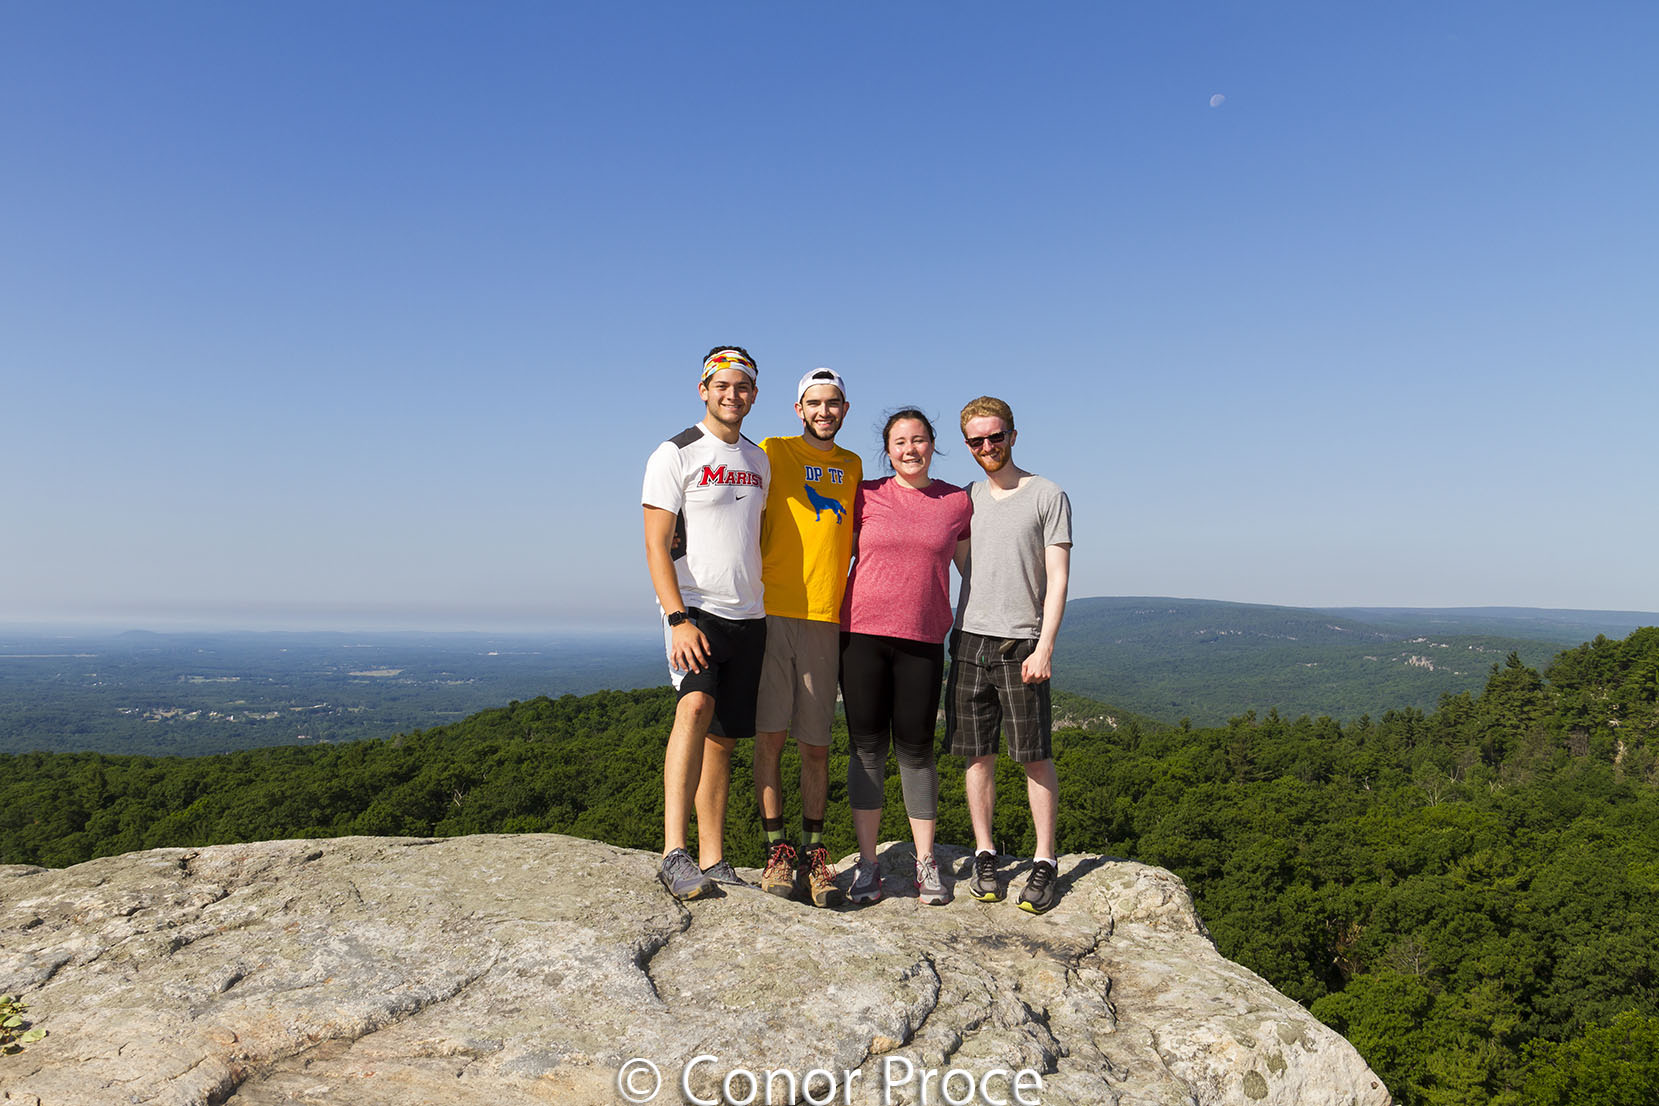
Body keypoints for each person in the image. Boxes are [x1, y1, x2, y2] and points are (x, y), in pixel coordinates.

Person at [641, 346, 770, 900]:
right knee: (693, 708)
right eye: (722, 385)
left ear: (753, 395)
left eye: (742, 386)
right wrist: (676, 618)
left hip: (750, 613)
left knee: (723, 739)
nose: (731, 394)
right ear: (704, 390)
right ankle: (674, 852)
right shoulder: (675, 452)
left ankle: (713, 857)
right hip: (694, 609)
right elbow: (655, 544)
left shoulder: (759, 459)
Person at [945, 396, 1072, 914]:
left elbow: (1058, 577)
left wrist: (1045, 646)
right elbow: (962, 563)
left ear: (1013, 436)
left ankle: (1045, 859)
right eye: (976, 440)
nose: (987, 446)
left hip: (1023, 643)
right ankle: (985, 853)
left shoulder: (1047, 494)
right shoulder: (965, 499)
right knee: (977, 754)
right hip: (969, 640)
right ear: (968, 445)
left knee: (1034, 754)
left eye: (995, 436)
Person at [840, 410, 971, 906]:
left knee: (917, 750)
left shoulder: (956, 502)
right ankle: (868, 863)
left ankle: (926, 861)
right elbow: (837, 554)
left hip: (922, 638)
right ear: (888, 450)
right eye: (900, 441)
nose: (910, 449)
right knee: (867, 748)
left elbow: (972, 571)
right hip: (860, 634)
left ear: (933, 444)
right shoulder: (865, 494)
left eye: (918, 439)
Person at [754, 369, 862, 906]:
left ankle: (815, 853)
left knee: (816, 745)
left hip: (825, 615)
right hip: (770, 609)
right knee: (770, 738)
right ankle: (777, 850)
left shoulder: (853, 465)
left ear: (845, 409)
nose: (824, 411)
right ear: (799, 408)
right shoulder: (773, 450)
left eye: (833, 402)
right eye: (814, 403)